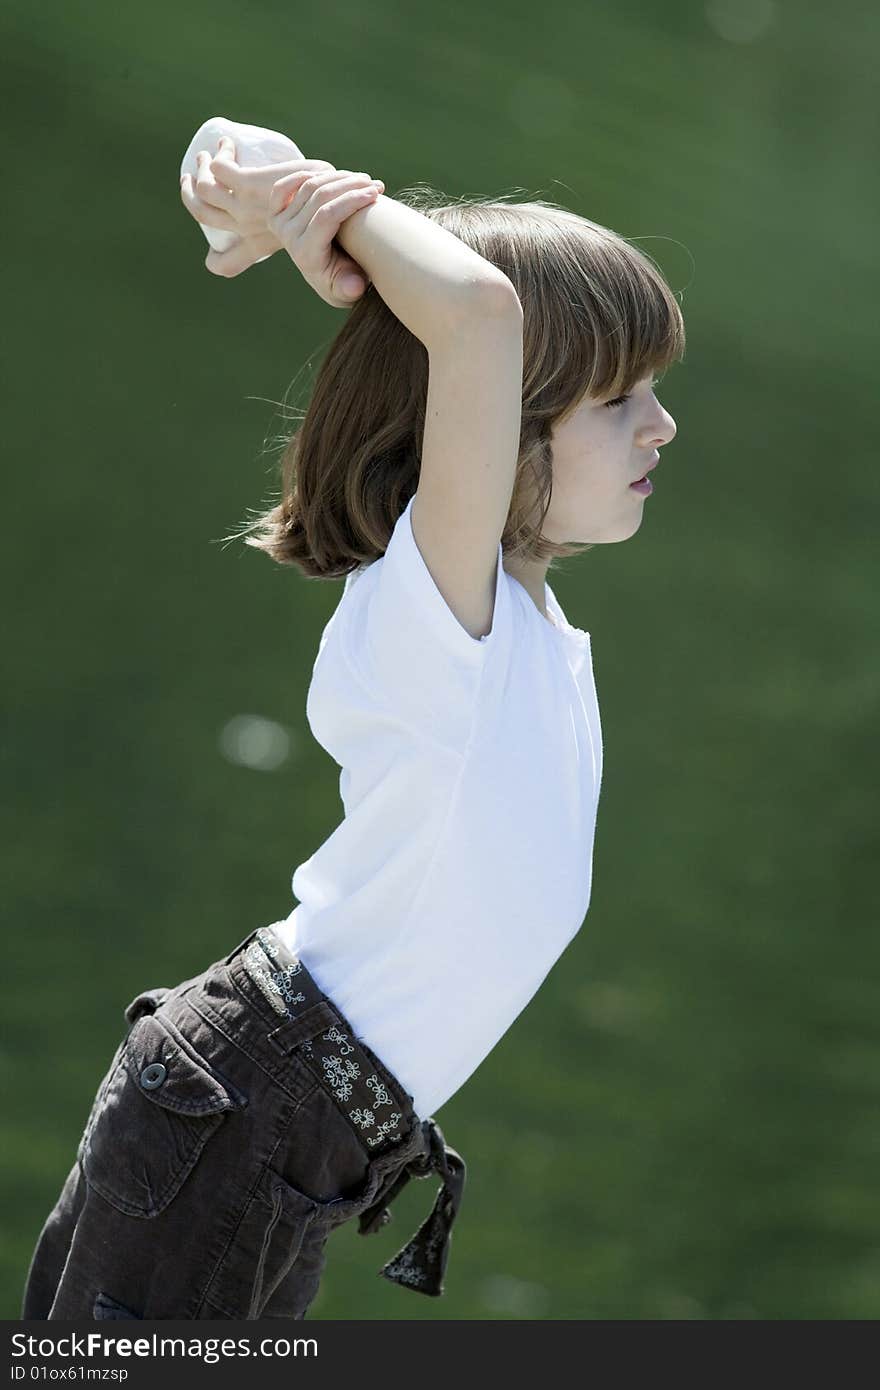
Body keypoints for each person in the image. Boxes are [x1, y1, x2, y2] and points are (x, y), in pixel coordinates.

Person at [21, 131, 683, 1321]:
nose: (662, 426)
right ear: (490, 424)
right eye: (618, 397)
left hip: (307, 1136)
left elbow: (475, 324)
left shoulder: (524, 622)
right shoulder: (439, 625)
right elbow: (477, 314)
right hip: (249, 1103)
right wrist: (303, 200)